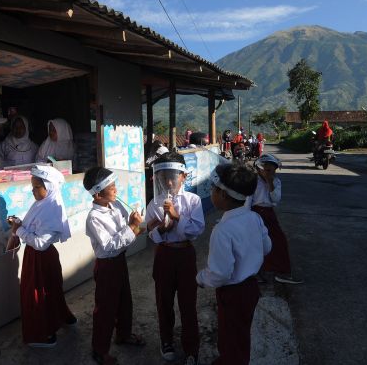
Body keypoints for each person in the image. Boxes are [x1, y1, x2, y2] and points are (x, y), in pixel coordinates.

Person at [196, 163, 272, 365]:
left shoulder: (223, 230)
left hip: (233, 294)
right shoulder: (254, 217)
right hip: (251, 289)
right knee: (241, 333)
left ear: (223, 195)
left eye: (213, 189)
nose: (211, 193)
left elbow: (220, 274)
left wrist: (201, 278)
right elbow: (267, 247)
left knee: (230, 339)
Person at [146, 153, 205, 365]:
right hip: (164, 254)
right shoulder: (154, 203)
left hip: (185, 253)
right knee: (164, 300)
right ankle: (166, 340)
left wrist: (177, 216)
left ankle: (191, 346)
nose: (169, 181)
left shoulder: (193, 200)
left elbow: (197, 230)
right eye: (163, 177)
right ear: (158, 178)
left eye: (173, 176)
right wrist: (162, 228)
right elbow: (150, 233)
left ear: (183, 176)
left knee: (188, 302)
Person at [83, 167, 146, 365]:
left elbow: (126, 232)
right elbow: (110, 245)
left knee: (124, 301)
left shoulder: (115, 205)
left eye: (115, 185)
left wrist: (134, 225)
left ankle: (123, 334)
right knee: (106, 308)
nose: (115, 190)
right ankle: (99, 350)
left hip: (119, 262)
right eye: (111, 188)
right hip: (107, 266)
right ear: (98, 193)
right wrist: (132, 227)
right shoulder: (94, 217)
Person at [9, 165, 77, 348]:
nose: (33, 191)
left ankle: (42, 333)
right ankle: (62, 318)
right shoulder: (42, 204)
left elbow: (40, 243)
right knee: (51, 289)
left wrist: (19, 230)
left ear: (50, 187)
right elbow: (35, 229)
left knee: (37, 294)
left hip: (40, 258)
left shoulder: (52, 210)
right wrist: (21, 225)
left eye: (37, 187)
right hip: (39, 257)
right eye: (32, 187)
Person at [252, 154, 303, 285]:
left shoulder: (276, 182)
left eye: (272, 170)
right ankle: (255, 272)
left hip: (269, 213)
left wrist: (270, 182)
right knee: (254, 243)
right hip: (255, 213)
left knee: (278, 241)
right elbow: (248, 200)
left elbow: (275, 199)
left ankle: (281, 271)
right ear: (258, 169)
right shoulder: (253, 181)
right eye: (266, 169)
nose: (269, 172)